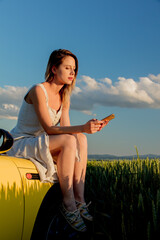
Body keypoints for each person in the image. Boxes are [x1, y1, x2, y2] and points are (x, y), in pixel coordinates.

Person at [7, 49, 109, 232]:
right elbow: (50, 128)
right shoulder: (38, 90)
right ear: (54, 69)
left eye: (74, 69)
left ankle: (80, 200)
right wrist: (82, 127)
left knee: (80, 139)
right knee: (72, 139)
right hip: (23, 141)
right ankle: (68, 204)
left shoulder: (64, 96)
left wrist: (86, 129)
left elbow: (68, 130)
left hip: (43, 140)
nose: (72, 73)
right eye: (68, 68)